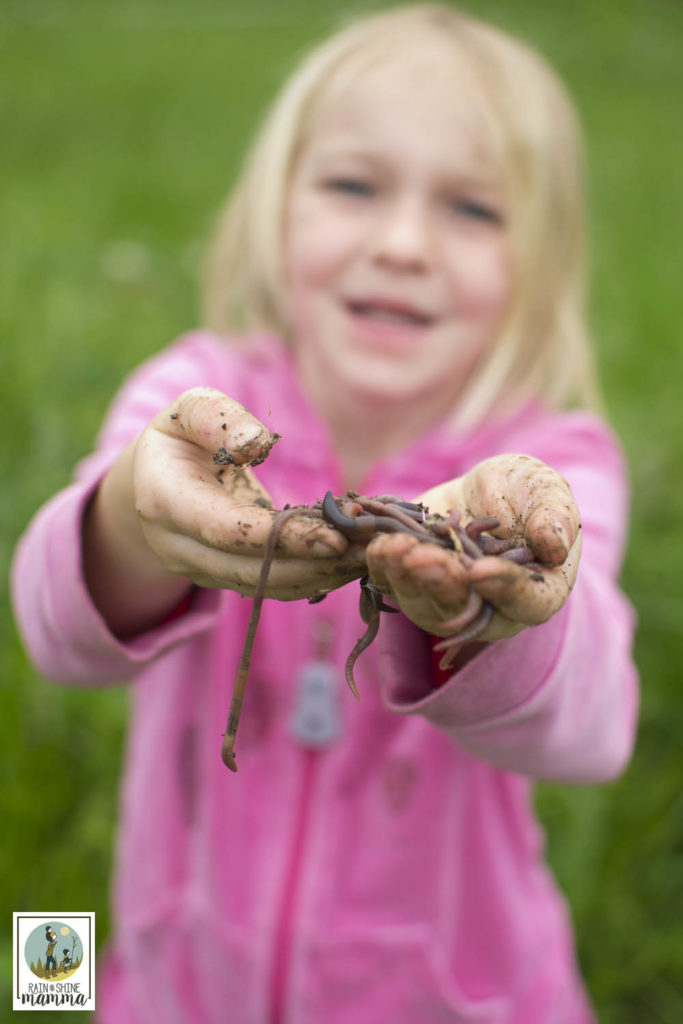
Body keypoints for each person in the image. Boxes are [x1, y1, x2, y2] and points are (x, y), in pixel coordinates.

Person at [11, 5, 638, 1022]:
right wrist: (132, 519)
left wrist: (495, 603)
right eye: (352, 186)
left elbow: (594, 727)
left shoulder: (552, 464)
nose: (400, 244)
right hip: (180, 985)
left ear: (540, 266)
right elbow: (55, 638)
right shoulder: (195, 395)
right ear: (273, 209)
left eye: (472, 210)